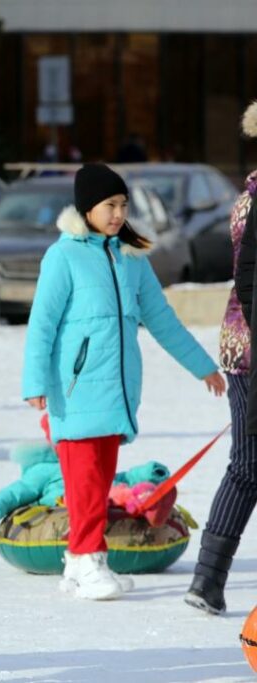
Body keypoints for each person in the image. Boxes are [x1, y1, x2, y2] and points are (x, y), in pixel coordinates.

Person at [22, 163, 224, 601]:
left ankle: (79, 563)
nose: (118, 214)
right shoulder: (64, 256)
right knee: (85, 480)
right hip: (75, 390)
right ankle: (90, 556)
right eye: (109, 205)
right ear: (86, 208)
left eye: (122, 205)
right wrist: (34, 381)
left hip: (117, 391)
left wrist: (202, 365)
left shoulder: (132, 258)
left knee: (101, 476)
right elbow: (42, 324)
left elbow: (162, 320)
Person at [187, 101, 257, 615]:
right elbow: (250, 280)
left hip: (244, 344)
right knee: (250, 465)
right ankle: (207, 579)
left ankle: (207, 581)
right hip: (251, 348)